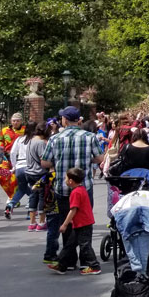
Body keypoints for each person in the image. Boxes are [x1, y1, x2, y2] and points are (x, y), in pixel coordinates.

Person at [40, 106, 106, 264]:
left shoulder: (55, 138)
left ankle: (69, 260)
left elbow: (45, 162)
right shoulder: (89, 137)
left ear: (64, 120)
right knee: (84, 223)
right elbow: (99, 158)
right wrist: (85, 160)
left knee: (67, 222)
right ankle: (86, 259)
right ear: (78, 120)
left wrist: (58, 162)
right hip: (84, 187)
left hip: (63, 187)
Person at [46, 167, 100, 275]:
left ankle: (94, 266)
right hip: (81, 222)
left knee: (85, 245)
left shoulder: (75, 193)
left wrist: (65, 224)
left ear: (70, 181)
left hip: (83, 224)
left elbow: (73, 210)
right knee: (70, 244)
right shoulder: (82, 189)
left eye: (66, 178)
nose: (65, 180)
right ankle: (61, 265)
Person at [5, 120, 39, 218]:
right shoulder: (35, 140)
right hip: (30, 166)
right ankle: (31, 211)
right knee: (34, 189)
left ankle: (10, 204)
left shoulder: (20, 139)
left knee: (22, 188)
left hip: (19, 166)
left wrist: (14, 165)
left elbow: (12, 153)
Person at [25, 122, 51, 231]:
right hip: (39, 173)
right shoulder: (40, 143)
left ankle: (32, 223)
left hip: (29, 172)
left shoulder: (30, 141)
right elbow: (43, 160)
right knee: (42, 197)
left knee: (33, 196)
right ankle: (41, 222)